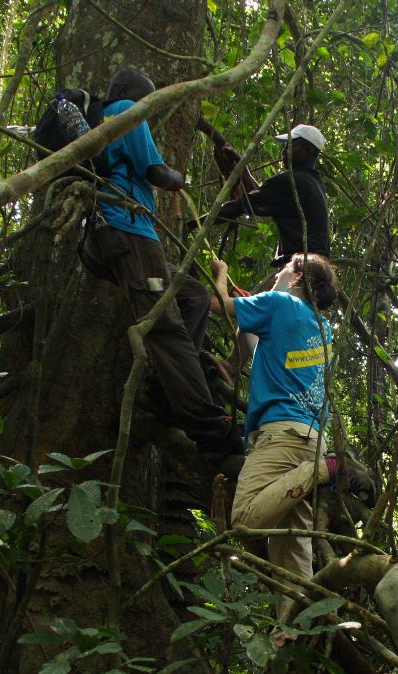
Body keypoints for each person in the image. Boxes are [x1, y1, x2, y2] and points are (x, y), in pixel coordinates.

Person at [78, 68, 241, 455]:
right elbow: (157, 172)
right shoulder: (123, 110)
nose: (144, 108)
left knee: (192, 295)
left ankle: (167, 393)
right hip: (127, 230)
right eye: (142, 98)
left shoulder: (110, 115)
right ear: (124, 92)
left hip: (121, 234)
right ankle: (208, 426)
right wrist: (178, 177)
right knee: (164, 324)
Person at [208, 254, 371, 624]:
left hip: (281, 436)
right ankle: (292, 629)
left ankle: (326, 471)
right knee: (292, 545)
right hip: (310, 438)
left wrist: (222, 274)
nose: (277, 272)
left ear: (296, 276)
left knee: (245, 518)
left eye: (284, 268)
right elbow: (253, 344)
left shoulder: (279, 304)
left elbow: (218, 305)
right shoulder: (321, 327)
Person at [215, 124, 330, 269]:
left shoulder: (292, 181)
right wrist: (242, 170)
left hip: (300, 267)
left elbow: (242, 205)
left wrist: (193, 223)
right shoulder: (313, 182)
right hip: (318, 267)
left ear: (306, 150)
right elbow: (262, 196)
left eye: (289, 146)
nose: (283, 151)